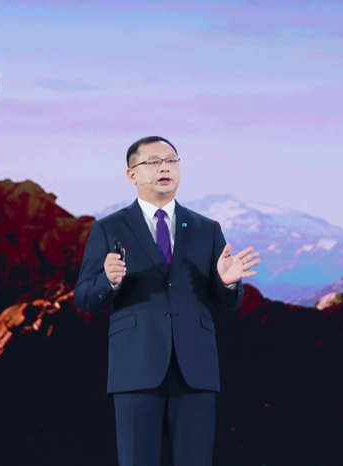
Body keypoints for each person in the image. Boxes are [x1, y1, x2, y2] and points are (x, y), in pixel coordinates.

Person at [74, 136, 260, 466]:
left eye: (171, 160)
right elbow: (85, 297)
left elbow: (226, 303)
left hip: (196, 369)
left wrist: (227, 283)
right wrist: (109, 280)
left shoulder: (207, 228)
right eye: (154, 161)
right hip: (135, 367)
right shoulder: (108, 228)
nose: (165, 168)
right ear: (132, 174)